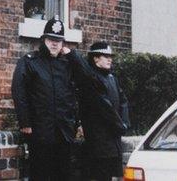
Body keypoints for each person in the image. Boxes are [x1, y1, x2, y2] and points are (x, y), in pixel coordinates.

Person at [11, 17, 78, 181]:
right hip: (40, 131)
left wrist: (74, 123)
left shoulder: (68, 65)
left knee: (64, 174)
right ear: (43, 40)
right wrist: (25, 122)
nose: (54, 44)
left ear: (63, 43)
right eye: (51, 39)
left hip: (64, 131)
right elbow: (19, 92)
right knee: (41, 173)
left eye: (58, 40)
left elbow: (77, 92)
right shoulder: (29, 62)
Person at [65, 41, 130, 181]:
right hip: (99, 141)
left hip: (114, 140)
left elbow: (123, 100)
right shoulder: (91, 80)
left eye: (110, 56)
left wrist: (124, 122)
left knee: (110, 176)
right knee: (100, 175)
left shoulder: (112, 78)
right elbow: (104, 106)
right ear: (95, 58)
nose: (110, 59)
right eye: (105, 56)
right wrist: (119, 125)